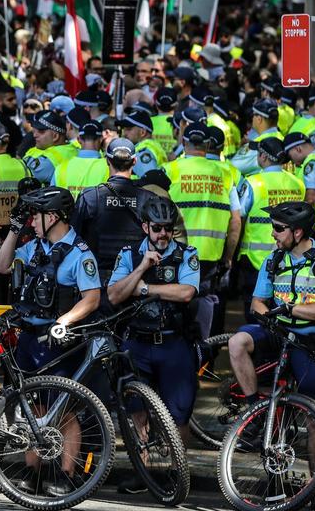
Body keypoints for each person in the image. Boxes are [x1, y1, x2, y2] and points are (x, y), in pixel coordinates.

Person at [0, 186, 101, 497]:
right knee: (34, 407)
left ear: (53, 216)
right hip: (29, 338)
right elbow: (2, 266)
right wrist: (13, 230)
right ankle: (32, 470)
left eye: (35, 217)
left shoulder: (80, 253)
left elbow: (92, 298)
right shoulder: (34, 247)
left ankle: (64, 475)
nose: (32, 222)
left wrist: (63, 321)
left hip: (57, 343)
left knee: (62, 409)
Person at [227, 202, 315, 432]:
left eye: (278, 228)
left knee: (314, 421)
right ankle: (255, 413)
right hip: (278, 333)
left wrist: (290, 309)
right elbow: (257, 303)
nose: (273, 233)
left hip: (309, 343)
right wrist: (269, 319)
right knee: (237, 341)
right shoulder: (274, 260)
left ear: (297, 232)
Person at [107, 197, 200, 477]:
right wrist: (141, 270)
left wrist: (145, 288)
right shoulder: (129, 255)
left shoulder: (187, 254)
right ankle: (144, 472)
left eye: (168, 229)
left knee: (179, 413)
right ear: (145, 226)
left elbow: (186, 292)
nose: (163, 235)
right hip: (137, 344)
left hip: (173, 343)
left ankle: (177, 472)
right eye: (157, 228)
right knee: (137, 411)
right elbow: (114, 295)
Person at [165, 122, 241, 339]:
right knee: (205, 309)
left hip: (175, 254)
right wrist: (228, 257)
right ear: (208, 145)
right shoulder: (225, 174)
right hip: (209, 257)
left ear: (183, 142)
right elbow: (235, 221)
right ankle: (202, 362)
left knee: (174, 309)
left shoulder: (170, 170)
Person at [71, 138, 159, 280]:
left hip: (95, 279)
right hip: (135, 278)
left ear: (107, 160)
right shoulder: (148, 198)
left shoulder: (91, 197)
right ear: (135, 161)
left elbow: (74, 238)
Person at [237, 137, 306, 314]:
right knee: (284, 301)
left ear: (264, 157)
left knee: (255, 307)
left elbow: (240, 217)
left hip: (255, 259)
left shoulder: (253, 182)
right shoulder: (297, 183)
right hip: (289, 256)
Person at [52, 120, 108, 199]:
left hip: (68, 211)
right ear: (101, 139)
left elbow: (52, 199)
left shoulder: (61, 168)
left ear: (78, 139)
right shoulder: (109, 167)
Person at [231, 98, 282, 177]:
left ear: (259, 119)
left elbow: (232, 167)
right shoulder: (283, 140)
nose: (252, 118)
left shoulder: (257, 145)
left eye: (253, 115)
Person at [24, 110, 77, 183]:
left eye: (41, 131)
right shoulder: (72, 148)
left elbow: (22, 174)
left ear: (55, 136)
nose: (35, 135)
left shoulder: (50, 159)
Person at [284, 131, 315, 233]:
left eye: (290, 156)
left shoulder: (311, 163)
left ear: (298, 149)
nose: (291, 161)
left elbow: (310, 198)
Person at [118, 106, 167, 179]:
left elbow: (151, 182)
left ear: (142, 132)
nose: (124, 133)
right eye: (123, 129)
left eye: (128, 129)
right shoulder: (151, 147)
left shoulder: (143, 152)